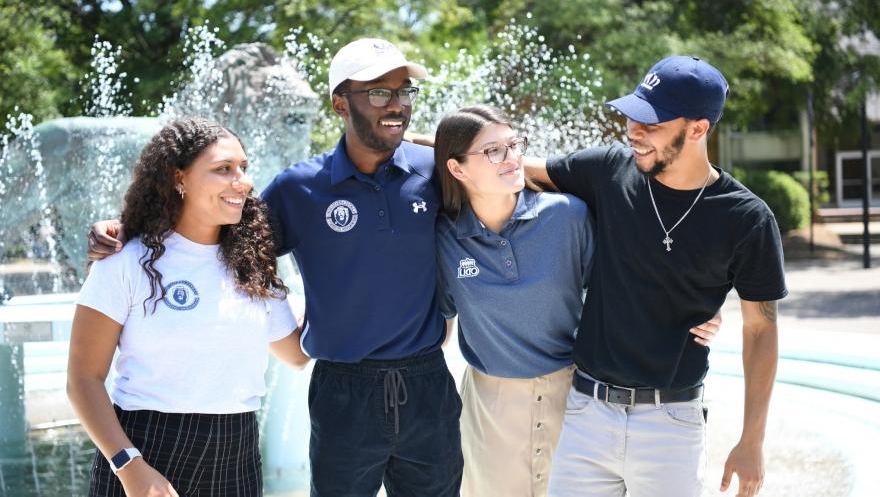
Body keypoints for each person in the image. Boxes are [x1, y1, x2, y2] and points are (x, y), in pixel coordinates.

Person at [88, 39, 463, 497]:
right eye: (380, 92)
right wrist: (128, 228)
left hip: (428, 385)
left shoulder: (437, 171)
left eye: (405, 92)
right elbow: (220, 226)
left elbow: (503, 188)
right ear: (340, 104)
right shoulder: (298, 187)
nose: (397, 104)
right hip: (342, 390)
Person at [524, 56, 786, 497]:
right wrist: (411, 146)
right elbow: (506, 169)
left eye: (652, 122)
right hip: (587, 413)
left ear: (698, 129)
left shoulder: (746, 218)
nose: (633, 130)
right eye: (632, 115)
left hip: (672, 424)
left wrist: (752, 440)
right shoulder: (609, 170)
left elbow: (762, 330)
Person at [432, 105, 720, 497]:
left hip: (575, 397)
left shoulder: (568, 216)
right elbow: (434, 322)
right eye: (493, 151)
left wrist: (698, 303)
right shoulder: (442, 238)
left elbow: (630, 278)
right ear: (457, 169)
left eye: (514, 144)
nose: (513, 158)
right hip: (490, 406)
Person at [68, 118, 308, 497]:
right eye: (223, 169)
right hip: (146, 449)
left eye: (243, 168)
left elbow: (295, 354)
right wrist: (128, 465)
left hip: (237, 454)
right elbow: (83, 379)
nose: (242, 181)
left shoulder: (253, 267)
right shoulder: (125, 262)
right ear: (178, 178)